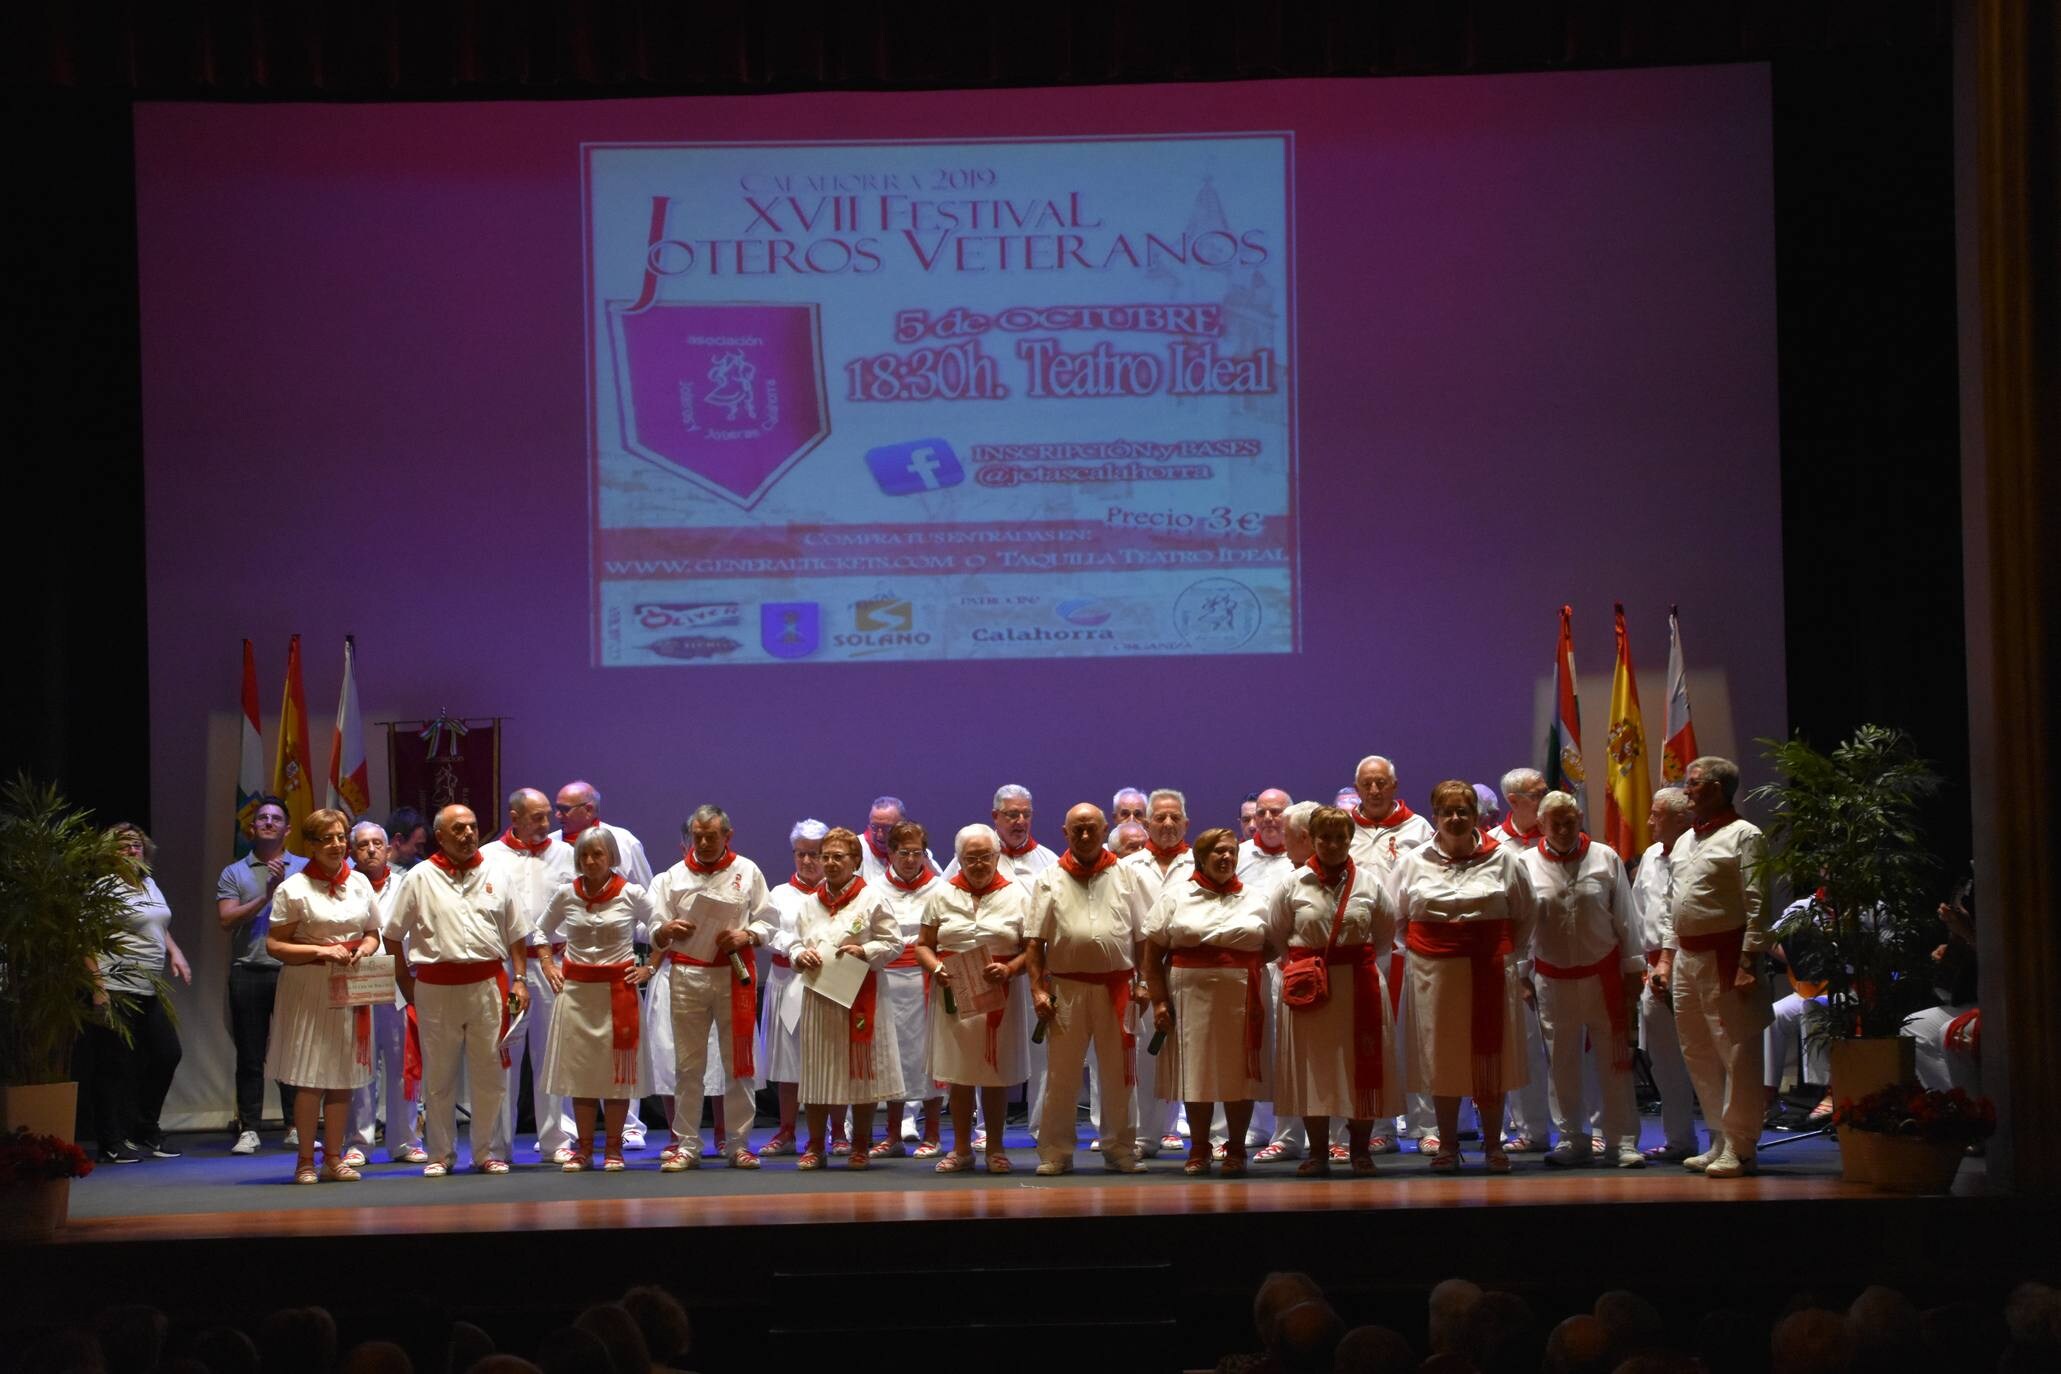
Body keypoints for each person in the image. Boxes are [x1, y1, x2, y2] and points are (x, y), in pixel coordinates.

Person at [1391, 780, 1537, 1173]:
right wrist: (1439, 948)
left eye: (1463, 811)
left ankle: (1493, 1144)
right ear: (1435, 816)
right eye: (1447, 811)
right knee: (1443, 1058)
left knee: (1491, 1059)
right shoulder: (1413, 862)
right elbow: (1397, 920)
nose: (1455, 819)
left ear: (1476, 816)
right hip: (1432, 976)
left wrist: (1484, 946)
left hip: (1489, 969)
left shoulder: (1505, 859)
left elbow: (1526, 914)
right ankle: (1447, 1144)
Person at [387, 804, 533, 1176]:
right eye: (459, 829)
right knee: (439, 1075)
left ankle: (485, 1152)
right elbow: (391, 935)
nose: (468, 834)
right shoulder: (420, 877)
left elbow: (517, 933)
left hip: (487, 984)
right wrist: (405, 979)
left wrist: (520, 978)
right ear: (441, 836)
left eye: (472, 827)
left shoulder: (497, 874)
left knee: (489, 1074)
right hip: (436, 986)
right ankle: (440, 1154)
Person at [1650, 755, 1772, 1179]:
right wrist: (1666, 958)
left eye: (1694, 783)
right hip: (1687, 958)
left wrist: (1749, 961)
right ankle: (1719, 1137)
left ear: (1718, 789)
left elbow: (1759, 903)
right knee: (1698, 1051)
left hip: (1727, 957)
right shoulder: (1685, 841)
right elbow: (1671, 906)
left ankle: (1741, 1146)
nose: (1686, 790)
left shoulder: (1745, 835)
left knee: (1735, 1052)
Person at [1266, 805, 1401, 1175]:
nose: (1333, 844)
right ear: (1312, 838)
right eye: (1325, 836)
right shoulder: (1293, 884)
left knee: (1361, 1067)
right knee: (1315, 1069)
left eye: (1341, 837)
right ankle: (1318, 1153)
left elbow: (1386, 933)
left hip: (1359, 986)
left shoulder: (1369, 883)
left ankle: (1359, 1151)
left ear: (1350, 839)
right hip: (1311, 990)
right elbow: (1277, 935)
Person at [1519, 791, 1645, 1168]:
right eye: (1554, 822)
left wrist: (1634, 969)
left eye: (1569, 821)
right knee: (1561, 1061)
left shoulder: (1605, 857)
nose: (1562, 829)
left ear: (1579, 821)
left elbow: (1626, 917)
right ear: (1540, 824)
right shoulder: (1524, 863)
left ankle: (1622, 1141)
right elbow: (1522, 926)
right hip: (1552, 980)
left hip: (1602, 976)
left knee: (1615, 1060)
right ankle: (1573, 1138)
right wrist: (1522, 977)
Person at [1027, 803, 1151, 1174]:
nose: (1084, 836)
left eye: (1091, 829)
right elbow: (1034, 942)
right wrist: (1037, 990)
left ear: (1104, 831)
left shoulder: (1127, 875)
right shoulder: (1049, 878)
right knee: (1062, 1076)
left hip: (1117, 987)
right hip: (1066, 989)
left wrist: (1144, 983)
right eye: (1077, 830)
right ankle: (1055, 1152)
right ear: (1065, 833)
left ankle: (1120, 1149)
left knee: (1119, 1075)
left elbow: (1143, 938)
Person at [1143, 827, 1275, 1175]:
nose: (1226, 857)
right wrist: (1159, 1002)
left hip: (1242, 996)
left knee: (1239, 1074)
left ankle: (1235, 1148)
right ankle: (1199, 1147)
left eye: (1232, 851)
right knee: (1196, 1072)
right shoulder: (1176, 896)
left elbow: (1273, 945)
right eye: (1218, 851)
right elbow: (1151, 954)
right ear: (1201, 856)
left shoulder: (1255, 898)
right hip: (1190, 996)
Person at [648, 804, 771, 1170]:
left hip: (733, 972)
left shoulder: (746, 871)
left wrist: (747, 933)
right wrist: (666, 930)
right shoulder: (672, 876)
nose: (703, 842)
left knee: (738, 1063)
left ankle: (738, 1143)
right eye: (697, 836)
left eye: (711, 836)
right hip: (686, 974)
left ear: (727, 836)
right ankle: (687, 1144)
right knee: (688, 1065)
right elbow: (653, 928)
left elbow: (769, 920)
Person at [263, 808, 383, 1183]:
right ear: (311, 845)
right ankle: (304, 1160)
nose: (336, 844)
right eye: (327, 838)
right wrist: (320, 951)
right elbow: (274, 945)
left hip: (349, 985)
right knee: (311, 1074)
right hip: (310, 987)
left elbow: (372, 932)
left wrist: (363, 949)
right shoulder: (294, 888)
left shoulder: (360, 883)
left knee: (342, 1075)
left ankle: (334, 1157)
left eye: (341, 836)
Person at [537, 826, 656, 1170]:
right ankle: (584, 1149)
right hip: (575, 994)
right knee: (582, 1074)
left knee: (615, 1074)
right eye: (584, 856)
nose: (590, 861)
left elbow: (662, 927)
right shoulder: (566, 894)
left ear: (612, 858)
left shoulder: (630, 893)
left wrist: (649, 967)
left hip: (617, 992)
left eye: (598, 855)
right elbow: (539, 930)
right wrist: (548, 963)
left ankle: (614, 1149)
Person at [917, 823, 1032, 1173]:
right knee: (960, 1073)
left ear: (997, 856)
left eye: (986, 856)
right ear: (959, 859)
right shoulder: (940, 894)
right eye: (971, 858)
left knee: (994, 1072)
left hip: (1001, 992)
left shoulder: (1018, 895)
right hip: (954, 992)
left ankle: (996, 1148)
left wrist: (1011, 969)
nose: (979, 864)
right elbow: (923, 944)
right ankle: (962, 1148)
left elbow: (1033, 950)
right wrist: (937, 969)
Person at [790, 827, 905, 1170]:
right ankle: (814, 1146)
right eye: (825, 856)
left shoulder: (871, 898)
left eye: (838, 857)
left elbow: (894, 942)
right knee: (816, 1073)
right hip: (820, 997)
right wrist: (799, 955)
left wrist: (864, 949)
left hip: (861, 997)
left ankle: (859, 1145)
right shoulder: (810, 903)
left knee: (862, 1074)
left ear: (855, 860)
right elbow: (795, 942)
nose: (829, 863)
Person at [481, 788, 577, 1164]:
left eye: (547, 816)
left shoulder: (568, 855)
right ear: (514, 816)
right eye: (536, 817)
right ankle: (498, 1145)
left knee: (552, 1053)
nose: (546, 823)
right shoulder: (488, 857)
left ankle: (555, 1140)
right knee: (505, 1053)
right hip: (506, 964)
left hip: (553, 964)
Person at [84, 824, 190, 1163]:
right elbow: (84, 939)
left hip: (147, 987)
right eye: (124, 846)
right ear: (110, 853)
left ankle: (145, 1126)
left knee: (167, 1054)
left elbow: (156, 924)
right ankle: (111, 1141)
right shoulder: (104, 888)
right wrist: (98, 988)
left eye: (137, 845)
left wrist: (175, 952)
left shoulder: (150, 884)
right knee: (114, 1066)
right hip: (116, 986)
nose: (132, 851)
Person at [1347, 754, 1435, 1154]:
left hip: (1408, 948)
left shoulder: (1419, 828)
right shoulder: (1344, 829)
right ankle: (1380, 1126)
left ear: (1395, 785)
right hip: (1360, 950)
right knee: (1372, 1038)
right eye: (1367, 783)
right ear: (1357, 787)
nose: (1375, 790)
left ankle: (1428, 1125)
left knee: (1418, 1037)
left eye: (1382, 782)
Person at [216, 796, 307, 1153]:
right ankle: (249, 1127)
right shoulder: (234, 872)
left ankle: (294, 1125)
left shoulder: (303, 867)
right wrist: (266, 895)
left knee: (292, 1052)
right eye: (262, 818)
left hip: (292, 970)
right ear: (252, 828)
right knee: (251, 1054)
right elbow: (226, 920)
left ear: (287, 828)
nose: (268, 822)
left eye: (276, 818)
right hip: (248, 971)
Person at [343, 820, 427, 1164]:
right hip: (357, 983)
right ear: (353, 851)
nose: (372, 849)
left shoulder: (408, 883)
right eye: (363, 844)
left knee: (401, 1065)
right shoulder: (342, 885)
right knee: (359, 1067)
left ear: (388, 848)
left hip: (398, 983)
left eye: (377, 843)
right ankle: (358, 1143)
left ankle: (405, 1141)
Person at [1121, 787, 1196, 1156]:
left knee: (1199, 1054)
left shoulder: (1200, 863)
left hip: (1190, 969)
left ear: (1186, 823)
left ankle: (1210, 1138)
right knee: (1148, 1057)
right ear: (1147, 822)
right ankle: (1147, 1136)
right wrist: (1138, 978)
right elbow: (1123, 926)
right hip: (1144, 973)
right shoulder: (1127, 867)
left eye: (1175, 817)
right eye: (1160, 818)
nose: (1167, 824)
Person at [1630, 787, 1699, 1161]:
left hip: (1690, 963)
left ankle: (1726, 1139)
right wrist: (1645, 966)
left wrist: (1669, 964)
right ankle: (1680, 1141)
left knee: (1703, 1057)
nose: (1649, 821)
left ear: (1680, 818)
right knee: (1664, 1060)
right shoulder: (1653, 855)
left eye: (1657, 814)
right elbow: (1639, 913)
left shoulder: (1696, 849)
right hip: (1653, 970)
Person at [872, 820, 945, 1157]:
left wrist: (907, 944)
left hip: (925, 981)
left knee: (928, 1057)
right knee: (892, 1056)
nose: (911, 860)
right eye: (904, 853)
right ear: (890, 853)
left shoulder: (939, 889)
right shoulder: (873, 889)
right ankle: (892, 1136)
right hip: (887, 982)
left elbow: (944, 933)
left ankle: (932, 1133)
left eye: (918, 853)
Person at [1492, 767, 1553, 1153]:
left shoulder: (1562, 835)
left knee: (1576, 1052)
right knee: (1524, 1050)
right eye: (1538, 794)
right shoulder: (1494, 846)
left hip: (1562, 960)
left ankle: (1591, 1132)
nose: (1547, 799)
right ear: (1514, 801)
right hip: (1515, 966)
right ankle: (1531, 1131)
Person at [757, 819, 827, 1155]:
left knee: (831, 1060)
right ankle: (786, 1131)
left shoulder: (840, 892)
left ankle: (837, 1131)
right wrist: (794, 949)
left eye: (814, 854)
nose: (808, 861)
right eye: (801, 854)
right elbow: (768, 933)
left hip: (829, 983)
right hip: (787, 982)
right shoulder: (778, 894)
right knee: (788, 1065)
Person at [859, 794, 936, 882]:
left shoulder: (916, 851)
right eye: (874, 826)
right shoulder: (856, 849)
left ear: (902, 826)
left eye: (887, 828)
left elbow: (941, 884)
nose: (880, 835)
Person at [1237, 788, 1294, 887]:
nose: (1267, 818)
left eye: (1275, 811)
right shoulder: (1237, 855)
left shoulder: (1304, 855)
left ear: (1291, 815)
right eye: (1261, 813)